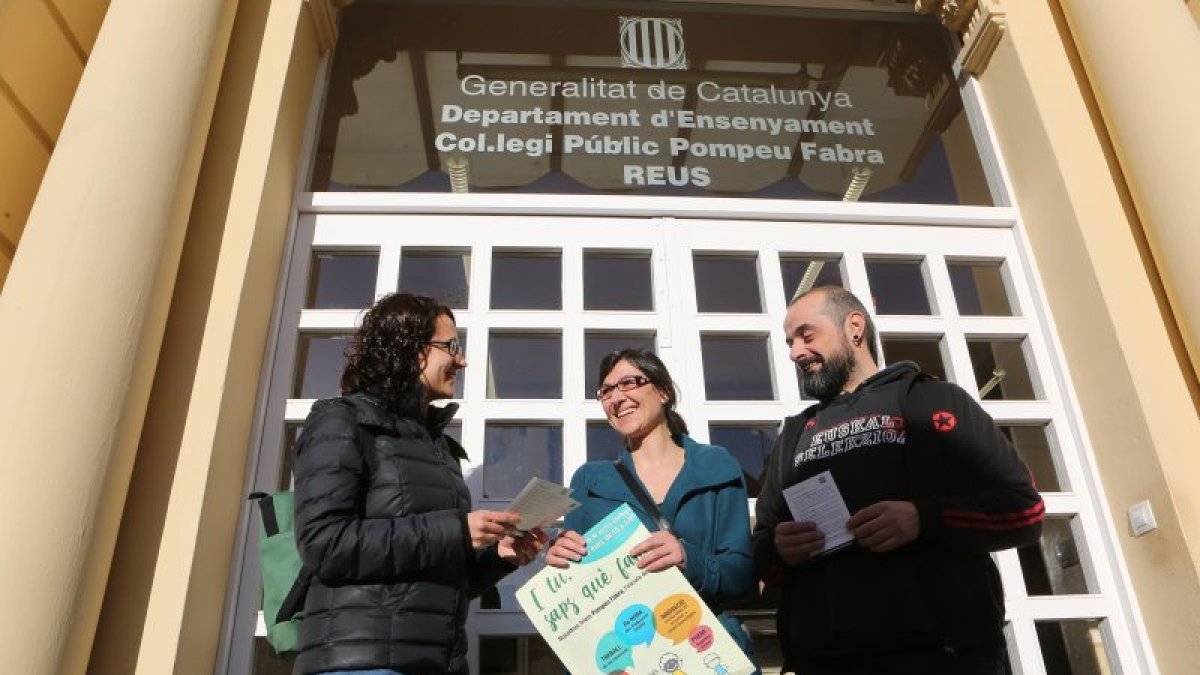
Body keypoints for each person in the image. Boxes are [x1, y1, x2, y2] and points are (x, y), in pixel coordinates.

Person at [752, 286, 1044, 675]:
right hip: (824, 661)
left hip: (942, 658)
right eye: (790, 342)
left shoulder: (935, 401)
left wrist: (922, 519)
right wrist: (778, 548)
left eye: (807, 335)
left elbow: (1024, 510)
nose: (795, 352)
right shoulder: (793, 435)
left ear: (854, 327)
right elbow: (762, 547)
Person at [292, 293, 546, 675]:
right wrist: (456, 530)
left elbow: (431, 581)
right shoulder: (342, 422)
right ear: (409, 349)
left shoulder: (436, 443)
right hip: (361, 664)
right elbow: (325, 544)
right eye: (451, 346)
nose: (461, 360)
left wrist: (497, 558)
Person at [546, 349, 759, 670]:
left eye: (629, 383)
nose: (617, 398)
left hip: (707, 652)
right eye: (606, 391)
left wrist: (689, 558)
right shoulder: (590, 480)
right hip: (632, 660)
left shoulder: (717, 465)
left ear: (663, 391)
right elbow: (576, 590)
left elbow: (741, 577)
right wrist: (559, 560)